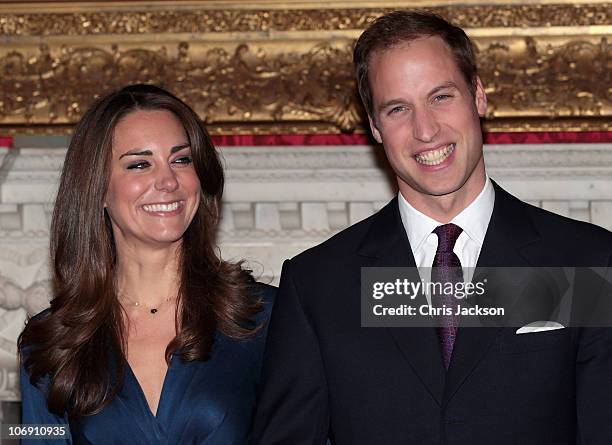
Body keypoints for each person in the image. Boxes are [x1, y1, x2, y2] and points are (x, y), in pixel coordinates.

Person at [252, 11, 612, 445]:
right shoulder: (318, 285)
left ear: (478, 96)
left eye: (441, 97)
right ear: (375, 126)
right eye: (398, 108)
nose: (425, 130)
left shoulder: (587, 261)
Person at [19, 84, 274, 444]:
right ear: (98, 190)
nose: (168, 181)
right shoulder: (51, 342)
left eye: (181, 160)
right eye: (140, 164)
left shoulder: (265, 318)